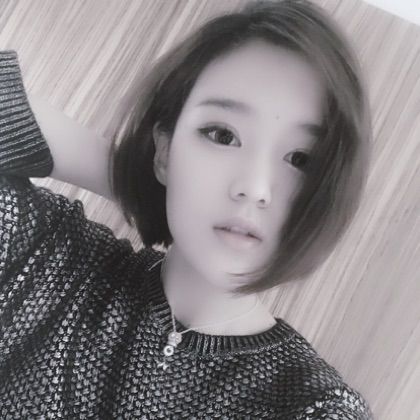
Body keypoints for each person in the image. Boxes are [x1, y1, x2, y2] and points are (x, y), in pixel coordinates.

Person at [0, 0, 374, 418]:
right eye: (222, 135)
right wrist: (140, 180)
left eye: (301, 159)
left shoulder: (315, 407)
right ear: (165, 149)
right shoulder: (43, 255)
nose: (254, 188)